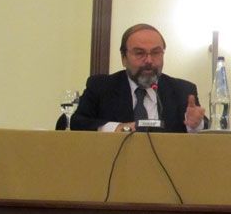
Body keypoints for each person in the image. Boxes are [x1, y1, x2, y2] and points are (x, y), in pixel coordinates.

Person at [71, 23, 206, 133]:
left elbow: (206, 129)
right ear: (124, 58)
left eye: (156, 52)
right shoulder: (101, 87)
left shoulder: (182, 90)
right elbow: (74, 122)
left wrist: (195, 125)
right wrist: (117, 128)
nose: (149, 60)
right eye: (140, 53)